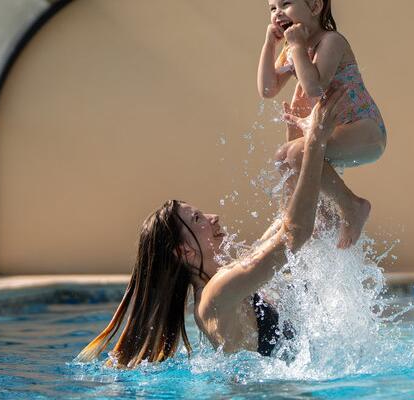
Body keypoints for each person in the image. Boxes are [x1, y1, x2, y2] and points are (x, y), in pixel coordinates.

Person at [76, 87, 347, 368]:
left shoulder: (224, 281)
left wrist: (295, 142)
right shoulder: (217, 293)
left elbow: (286, 222)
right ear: (184, 251)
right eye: (197, 220)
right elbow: (295, 233)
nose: (213, 217)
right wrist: (315, 140)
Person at [258, 0, 386, 249]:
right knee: (283, 159)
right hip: (336, 132)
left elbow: (314, 85)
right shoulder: (292, 48)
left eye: (286, 3)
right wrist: (270, 44)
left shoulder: (332, 42)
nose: (277, 13)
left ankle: (353, 206)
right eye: (272, 8)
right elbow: (267, 88)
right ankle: (324, 219)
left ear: (315, 6)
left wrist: (295, 46)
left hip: (366, 130)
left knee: (298, 153)